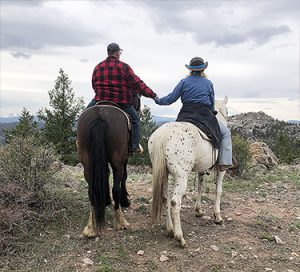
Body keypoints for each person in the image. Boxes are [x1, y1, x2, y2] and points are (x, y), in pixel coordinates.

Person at [154, 57, 232, 170]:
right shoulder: (208, 83)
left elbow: (170, 98)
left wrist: (157, 100)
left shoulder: (183, 82)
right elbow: (211, 103)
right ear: (203, 70)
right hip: (204, 114)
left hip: (185, 114)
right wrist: (212, 112)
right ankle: (224, 163)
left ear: (190, 69)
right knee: (225, 133)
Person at [88, 43, 158, 154]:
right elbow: (137, 84)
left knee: (83, 116)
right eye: (119, 52)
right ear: (117, 53)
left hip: (99, 100)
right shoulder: (124, 67)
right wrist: (153, 95)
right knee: (135, 120)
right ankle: (134, 147)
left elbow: (94, 85)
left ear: (108, 53)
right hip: (121, 102)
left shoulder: (98, 67)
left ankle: (80, 140)